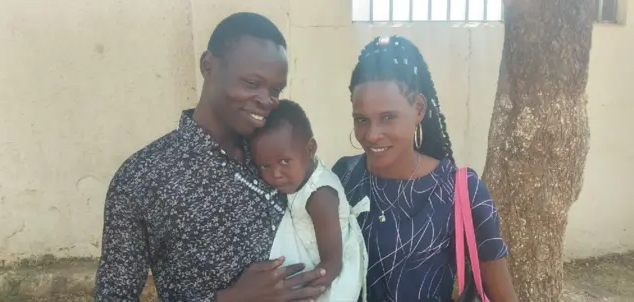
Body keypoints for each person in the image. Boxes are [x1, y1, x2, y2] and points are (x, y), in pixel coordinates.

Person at [95, 12, 326, 302]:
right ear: (208, 66)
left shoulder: (276, 153)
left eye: (276, 89)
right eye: (253, 83)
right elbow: (114, 297)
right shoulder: (144, 178)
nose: (267, 100)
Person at [331, 35, 519, 301]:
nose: (372, 135)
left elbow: (502, 294)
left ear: (418, 108)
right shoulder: (343, 177)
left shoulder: (460, 191)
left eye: (388, 117)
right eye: (361, 119)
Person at [250, 99, 368, 302]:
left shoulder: (319, 196)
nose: (275, 174)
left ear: (310, 148)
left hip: (331, 281)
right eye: (264, 166)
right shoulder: (299, 176)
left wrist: (306, 292)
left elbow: (332, 263)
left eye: (284, 161)